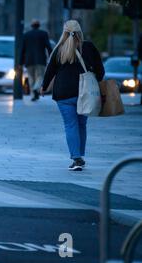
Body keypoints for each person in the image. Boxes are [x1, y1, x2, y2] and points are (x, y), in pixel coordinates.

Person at [40, 20, 104, 171]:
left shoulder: (59, 48)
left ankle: (76, 158)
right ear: (80, 31)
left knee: (70, 125)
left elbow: (50, 70)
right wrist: (97, 80)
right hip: (84, 92)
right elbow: (100, 69)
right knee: (82, 124)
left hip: (63, 93)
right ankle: (80, 155)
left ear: (64, 32)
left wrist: (43, 87)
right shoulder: (88, 47)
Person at [19, 19, 53, 101]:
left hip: (29, 60)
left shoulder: (26, 35)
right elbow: (48, 46)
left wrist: (21, 62)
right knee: (40, 76)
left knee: (31, 77)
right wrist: (52, 56)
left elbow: (23, 49)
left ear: (32, 26)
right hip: (40, 60)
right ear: (39, 25)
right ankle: (36, 88)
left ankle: (34, 95)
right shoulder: (43, 34)